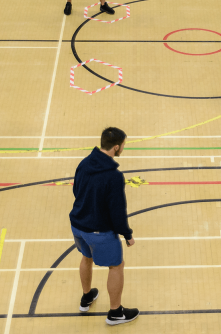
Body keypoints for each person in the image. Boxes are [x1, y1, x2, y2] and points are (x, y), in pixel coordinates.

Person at [69, 127, 139, 325]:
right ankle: (116, 313)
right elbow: (117, 211)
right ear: (116, 147)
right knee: (116, 266)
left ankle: (87, 296)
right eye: (123, 145)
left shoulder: (83, 164)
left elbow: (77, 191)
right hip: (99, 231)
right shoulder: (114, 177)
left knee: (86, 256)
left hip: (77, 225)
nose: (124, 147)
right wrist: (127, 235)